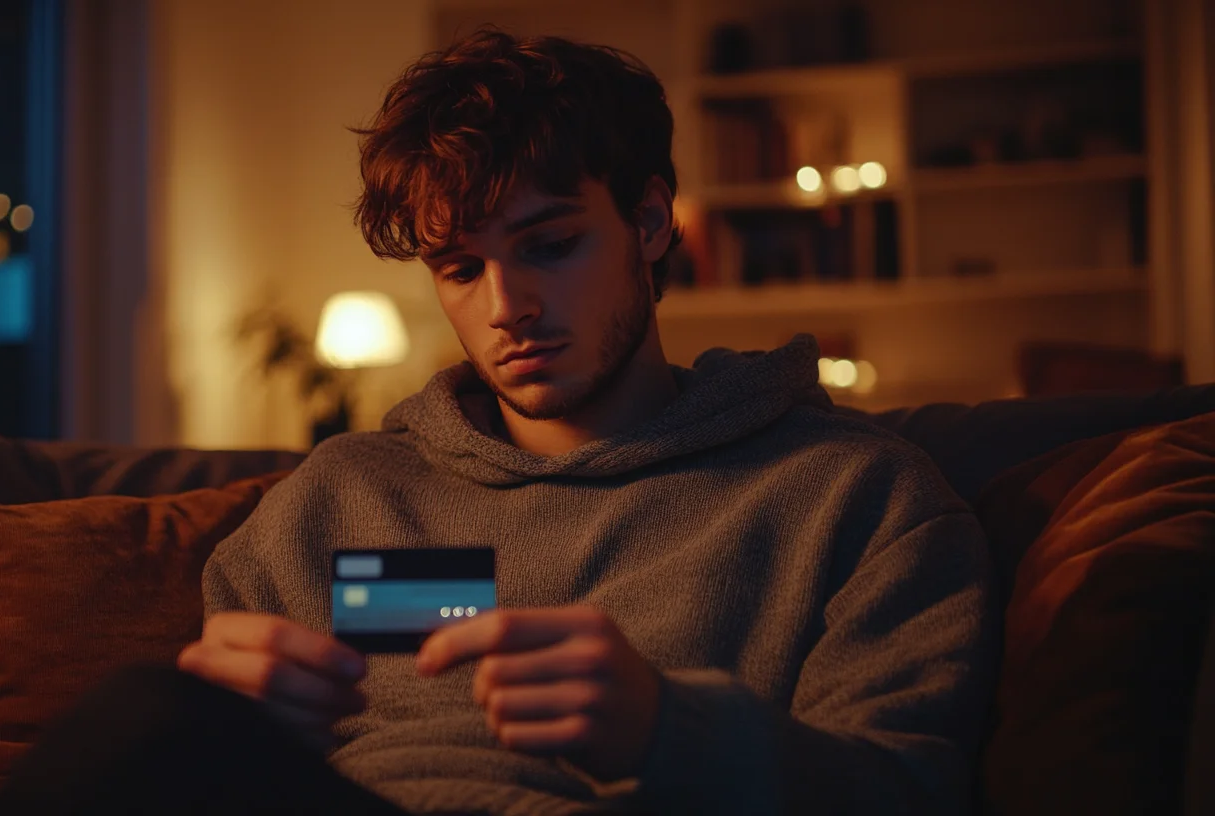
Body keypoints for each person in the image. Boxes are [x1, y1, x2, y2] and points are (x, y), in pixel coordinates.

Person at [170, 27, 999, 816]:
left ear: (648, 222)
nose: (507, 309)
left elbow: (911, 792)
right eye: (460, 268)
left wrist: (669, 731)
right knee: (143, 719)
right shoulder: (337, 497)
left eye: (550, 245)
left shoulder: (851, 498)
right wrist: (221, 737)